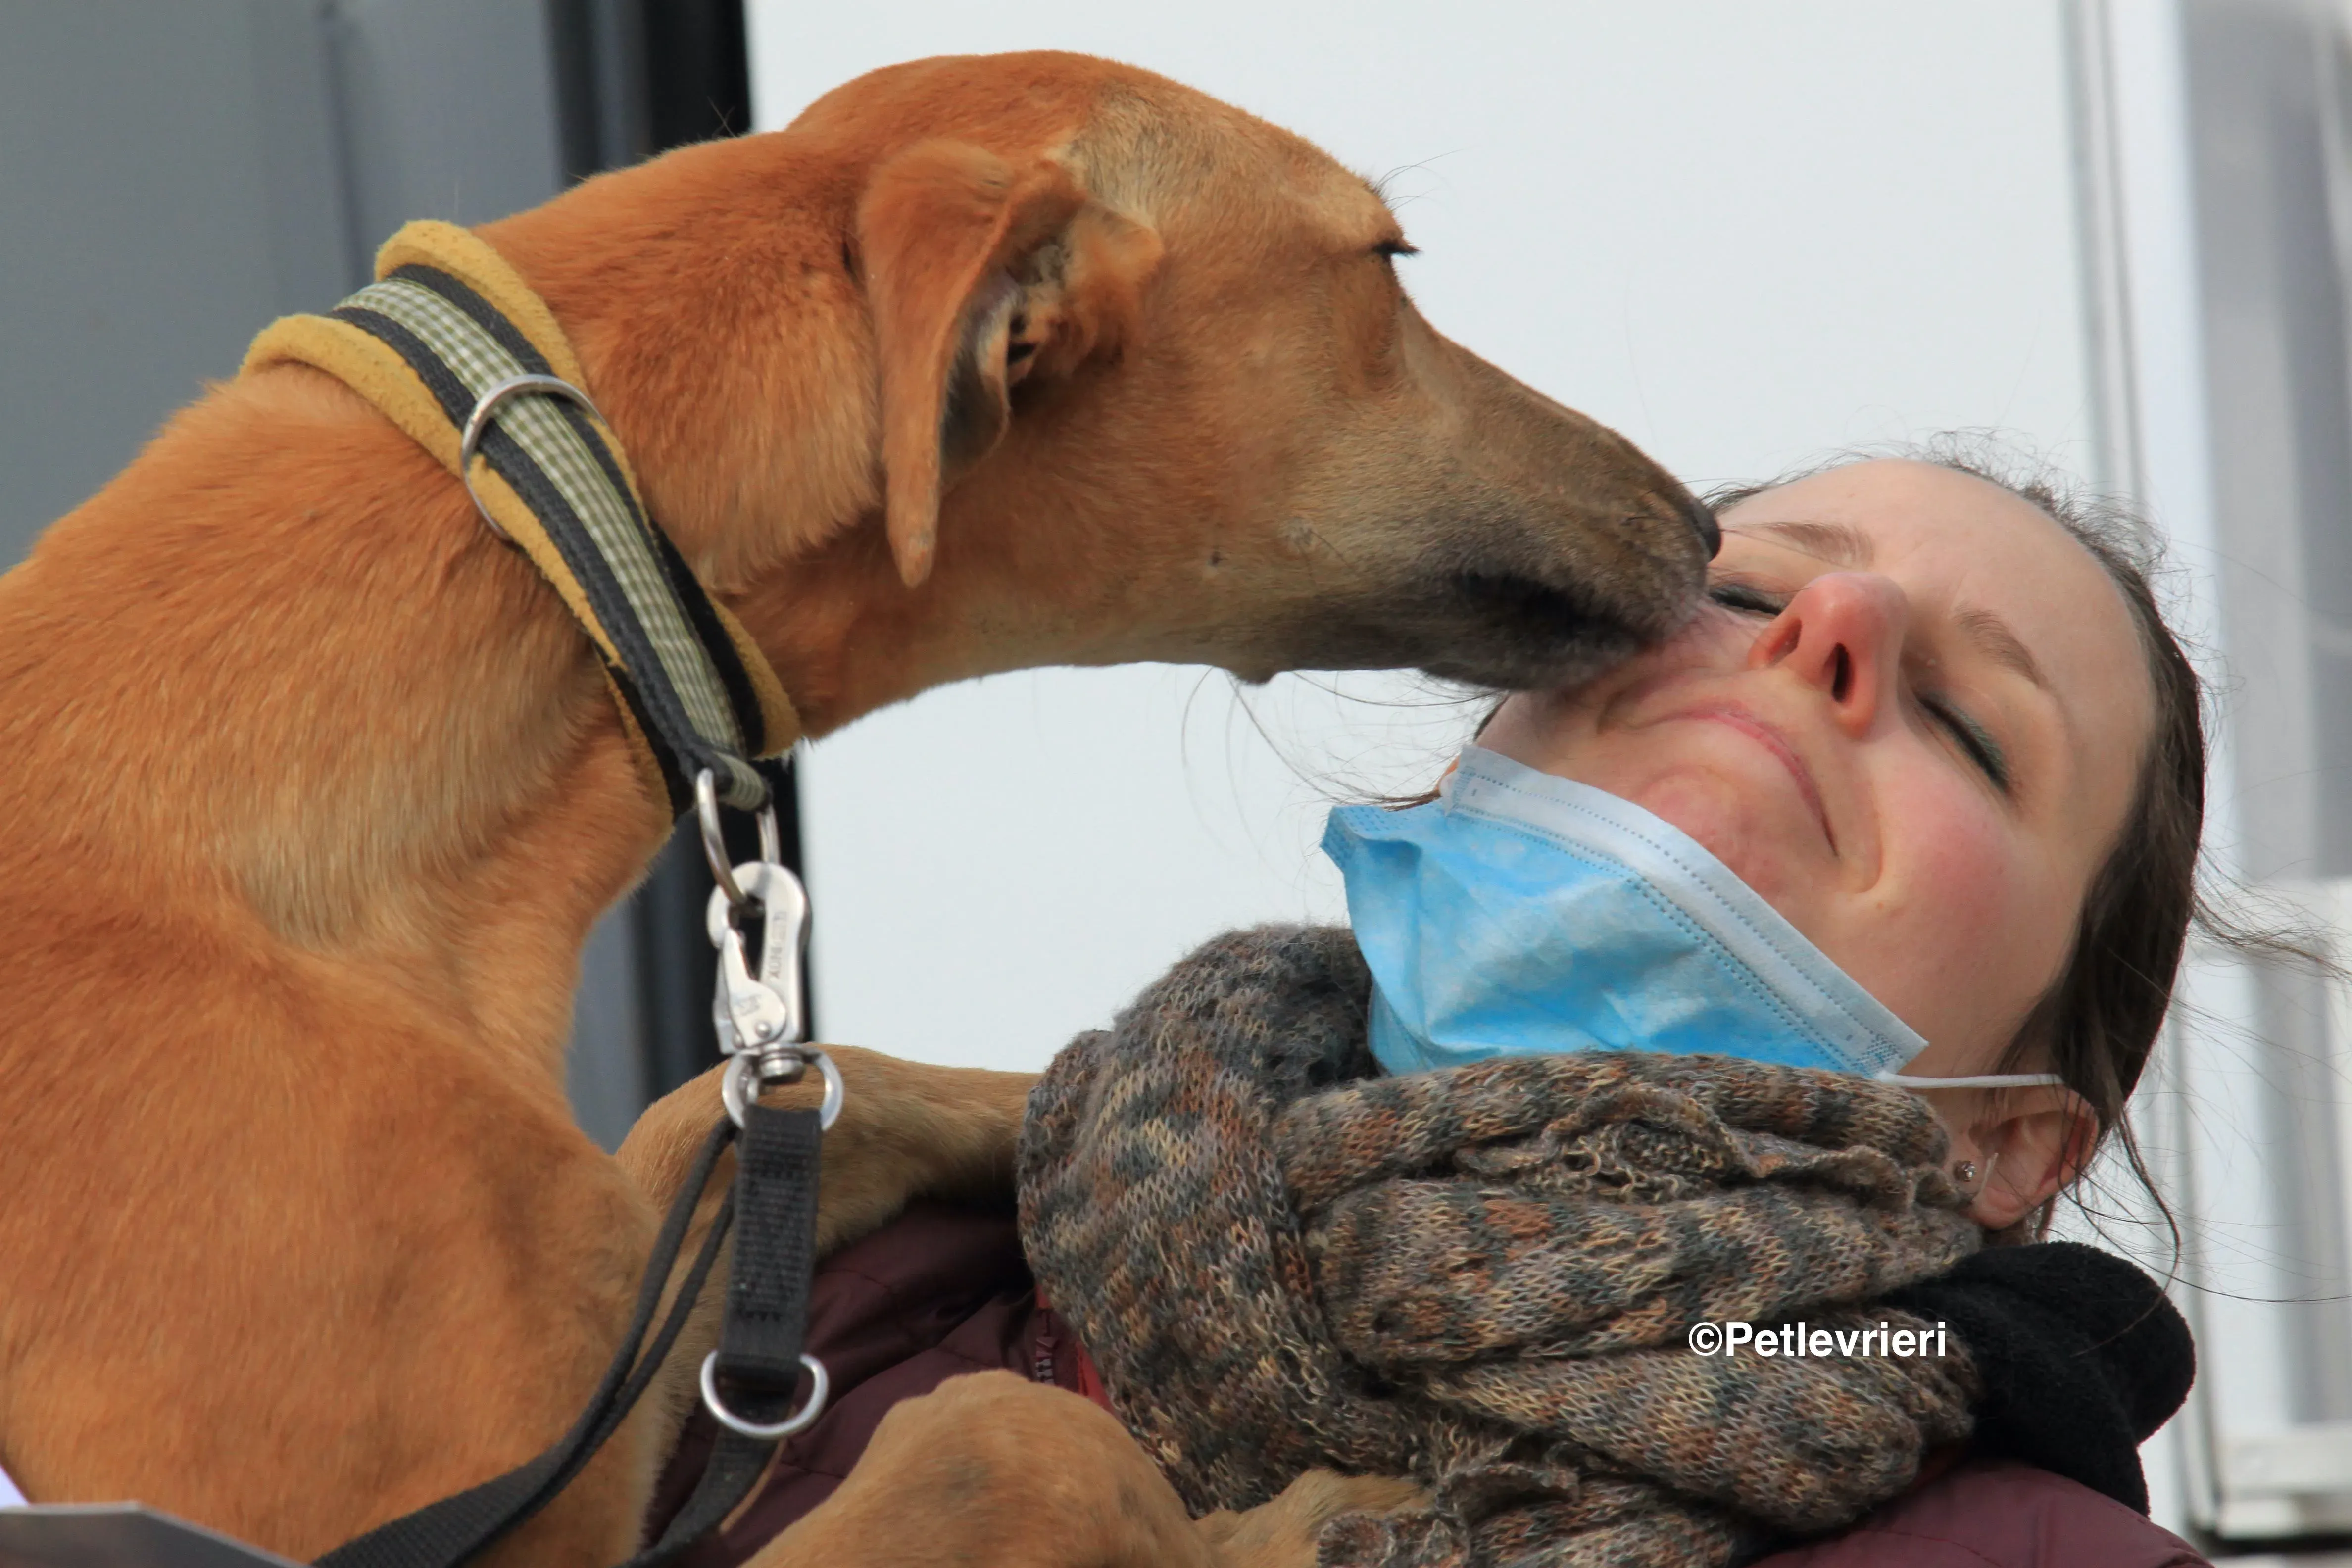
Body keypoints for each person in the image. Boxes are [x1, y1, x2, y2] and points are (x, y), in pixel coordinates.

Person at [648, 449, 2213, 1568]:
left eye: (1967, 723)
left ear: (2011, 1145)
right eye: (1734, 585)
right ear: (1468, 769)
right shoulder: (766, 1299)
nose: (1829, 630)